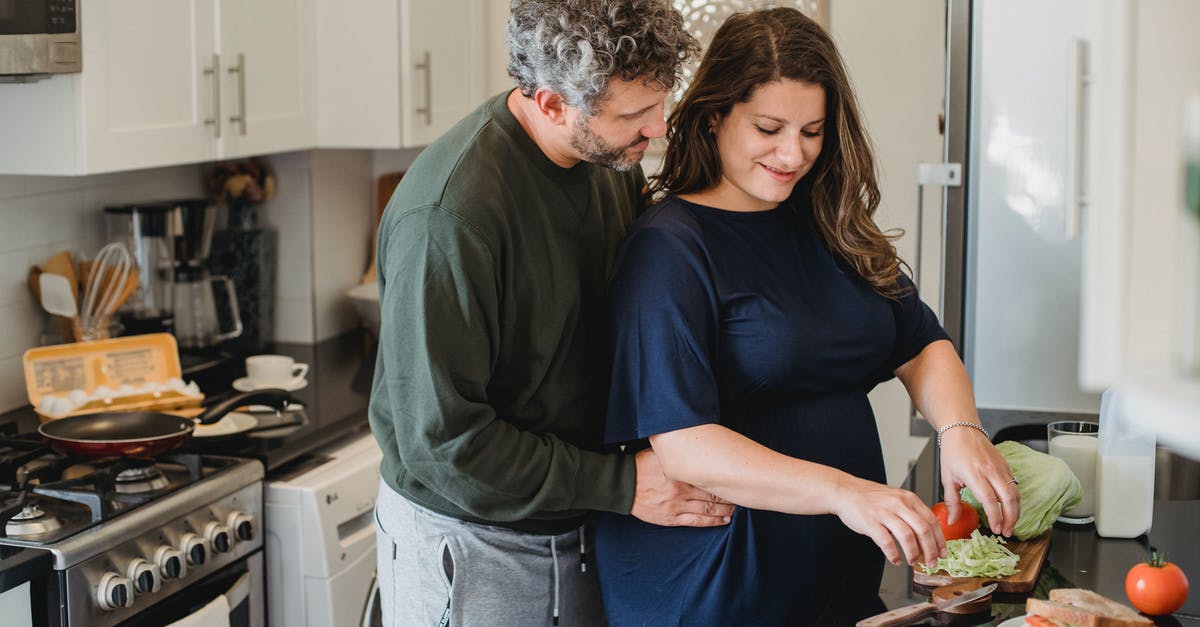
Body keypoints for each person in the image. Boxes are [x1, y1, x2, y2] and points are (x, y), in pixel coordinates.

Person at [594, 8, 1022, 625]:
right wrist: (847, 493)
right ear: (715, 116)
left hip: (835, 570)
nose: (792, 154)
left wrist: (961, 432)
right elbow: (686, 445)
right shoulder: (670, 248)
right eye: (769, 127)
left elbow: (920, 341)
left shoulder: (829, 223)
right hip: (717, 580)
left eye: (812, 131)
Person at [368, 1, 727, 626]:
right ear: (552, 102)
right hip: (473, 539)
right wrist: (622, 485)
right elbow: (447, 445)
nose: (658, 127)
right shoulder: (450, 219)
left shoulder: (605, 159)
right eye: (635, 113)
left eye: (659, 102)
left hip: (579, 520)